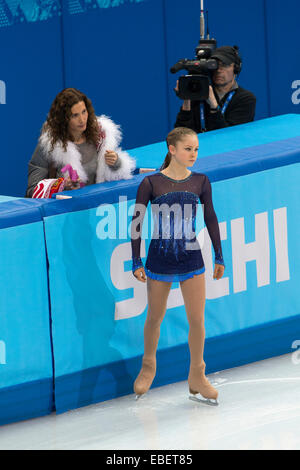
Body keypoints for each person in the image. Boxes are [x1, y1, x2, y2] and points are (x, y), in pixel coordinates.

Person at [130, 127, 225, 405]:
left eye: (196, 149)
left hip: (192, 257)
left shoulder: (201, 181)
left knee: (197, 319)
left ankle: (198, 374)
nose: (193, 154)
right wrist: (136, 260)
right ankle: (148, 365)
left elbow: (211, 218)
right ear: (172, 149)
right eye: (188, 149)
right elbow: (136, 224)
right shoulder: (150, 184)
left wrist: (219, 256)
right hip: (159, 259)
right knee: (155, 318)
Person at [26, 88, 136, 197]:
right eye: (75, 115)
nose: (82, 120)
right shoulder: (49, 145)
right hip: (65, 212)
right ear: (63, 119)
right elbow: (32, 189)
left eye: (84, 112)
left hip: (97, 207)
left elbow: (114, 177)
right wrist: (62, 185)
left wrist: (116, 164)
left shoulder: (100, 137)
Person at [174, 45, 256, 133]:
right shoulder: (201, 92)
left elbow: (230, 136)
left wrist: (214, 107)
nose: (219, 70)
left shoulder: (246, 99)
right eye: (215, 65)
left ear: (235, 69)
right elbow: (181, 134)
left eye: (224, 65)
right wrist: (186, 99)